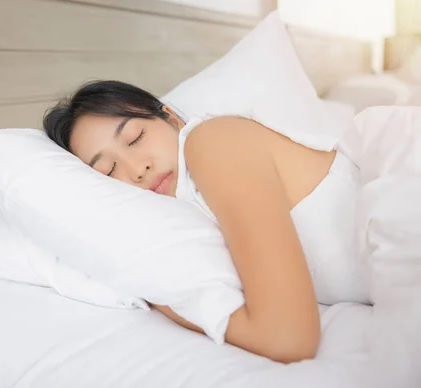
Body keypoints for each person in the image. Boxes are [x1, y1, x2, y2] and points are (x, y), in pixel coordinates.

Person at [43, 80, 356, 364]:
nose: (138, 169)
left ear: (172, 119)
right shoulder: (183, 221)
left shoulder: (213, 141)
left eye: (135, 138)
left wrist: (159, 298)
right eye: (109, 171)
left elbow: (287, 338)